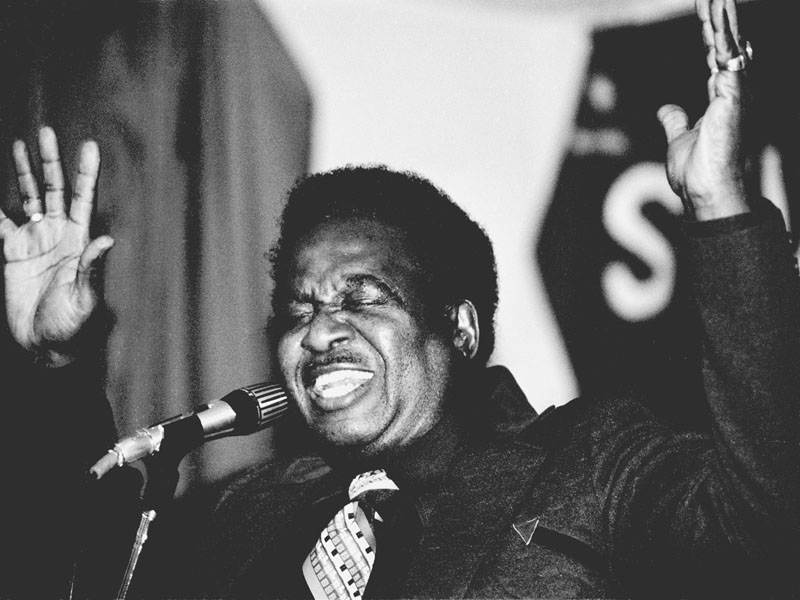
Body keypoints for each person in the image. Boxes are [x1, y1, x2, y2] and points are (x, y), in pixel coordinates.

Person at [1, 0, 798, 597]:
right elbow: (76, 566)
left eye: (361, 298)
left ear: (458, 326)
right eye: (300, 309)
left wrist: (726, 218)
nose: (319, 333)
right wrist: (56, 364)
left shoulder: (589, 463)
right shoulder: (247, 511)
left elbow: (765, 524)